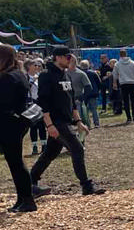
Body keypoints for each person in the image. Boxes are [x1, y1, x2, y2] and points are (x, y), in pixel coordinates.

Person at [30, 45, 104, 196]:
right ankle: (86, 186)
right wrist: (49, 124)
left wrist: (78, 122)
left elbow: (72, 101)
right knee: (77, 148)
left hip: (65, 120)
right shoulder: (46, 75)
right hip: (56, 121)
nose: (70, 60)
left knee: (50, 153)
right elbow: (43, 102)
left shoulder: (66, 75)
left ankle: (30, 182)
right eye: (68, 57)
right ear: (58, 57)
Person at [0, 44, 36, 212]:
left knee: (15, 162)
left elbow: (4, 103)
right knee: (16, 161)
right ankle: (23, 198)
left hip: (8, 123)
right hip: (19, 122)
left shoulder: (7, 78)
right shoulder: (19, 74)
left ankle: (27, 199)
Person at [113, 49, 134, 123]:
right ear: (126, 54)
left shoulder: (117, 64)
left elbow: (115, 75)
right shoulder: (133, 63)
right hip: (133, 83)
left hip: (124, 83)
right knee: (133, 100)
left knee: (126, 101)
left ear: (120, 55)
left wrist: (114, 83)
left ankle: (128, 117)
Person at [25, 58, 46, 154]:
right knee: (33, 126)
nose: (37, 67)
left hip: (40, 103)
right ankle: (34, 147)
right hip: (30, 103)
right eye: (35, 65)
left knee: (42, 125)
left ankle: (44, 145)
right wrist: (32, 81)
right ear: (29, 67)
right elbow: (25, 90)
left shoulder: (39, 76)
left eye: (38, 65)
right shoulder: (25, 77)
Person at [78, 59, 101, 128]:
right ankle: (96, 123)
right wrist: (98, 90)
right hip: (93, 93)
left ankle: (87, 124)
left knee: (85, 110)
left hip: (84, 94)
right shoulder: (93, 73)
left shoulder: (80, 74)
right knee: (94, 109)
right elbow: (99, 82)